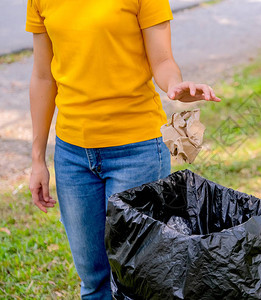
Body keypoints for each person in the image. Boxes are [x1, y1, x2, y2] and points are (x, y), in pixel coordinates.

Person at [26, 0, 221, 298]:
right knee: (94, 281)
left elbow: (163, 60)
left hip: (137, 150)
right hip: (73, 156)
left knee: (136, 278)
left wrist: (175, 84)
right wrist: (37, 159)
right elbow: (43, 76)